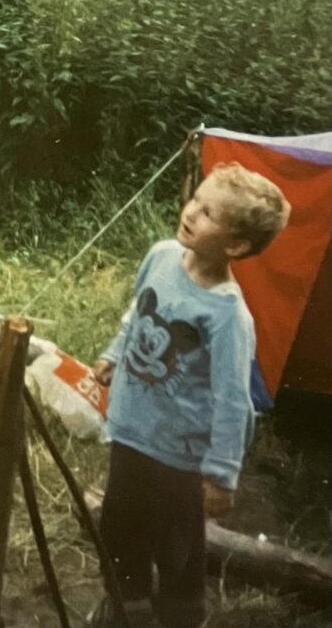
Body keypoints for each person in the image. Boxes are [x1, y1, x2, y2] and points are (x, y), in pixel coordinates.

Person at [88, 162, 291, 628]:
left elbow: (233, 400)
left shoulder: (227, 315)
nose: (191, 212)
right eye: (196, 200)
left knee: (177, 545)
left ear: (235, 245)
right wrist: (114, 353)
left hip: (179, 458)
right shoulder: (161, 256)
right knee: (119, 525)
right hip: (131, 431)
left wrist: (221, 474)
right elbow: (137, 314)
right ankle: (127, 603)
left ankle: (181, 615)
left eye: (208, 213)